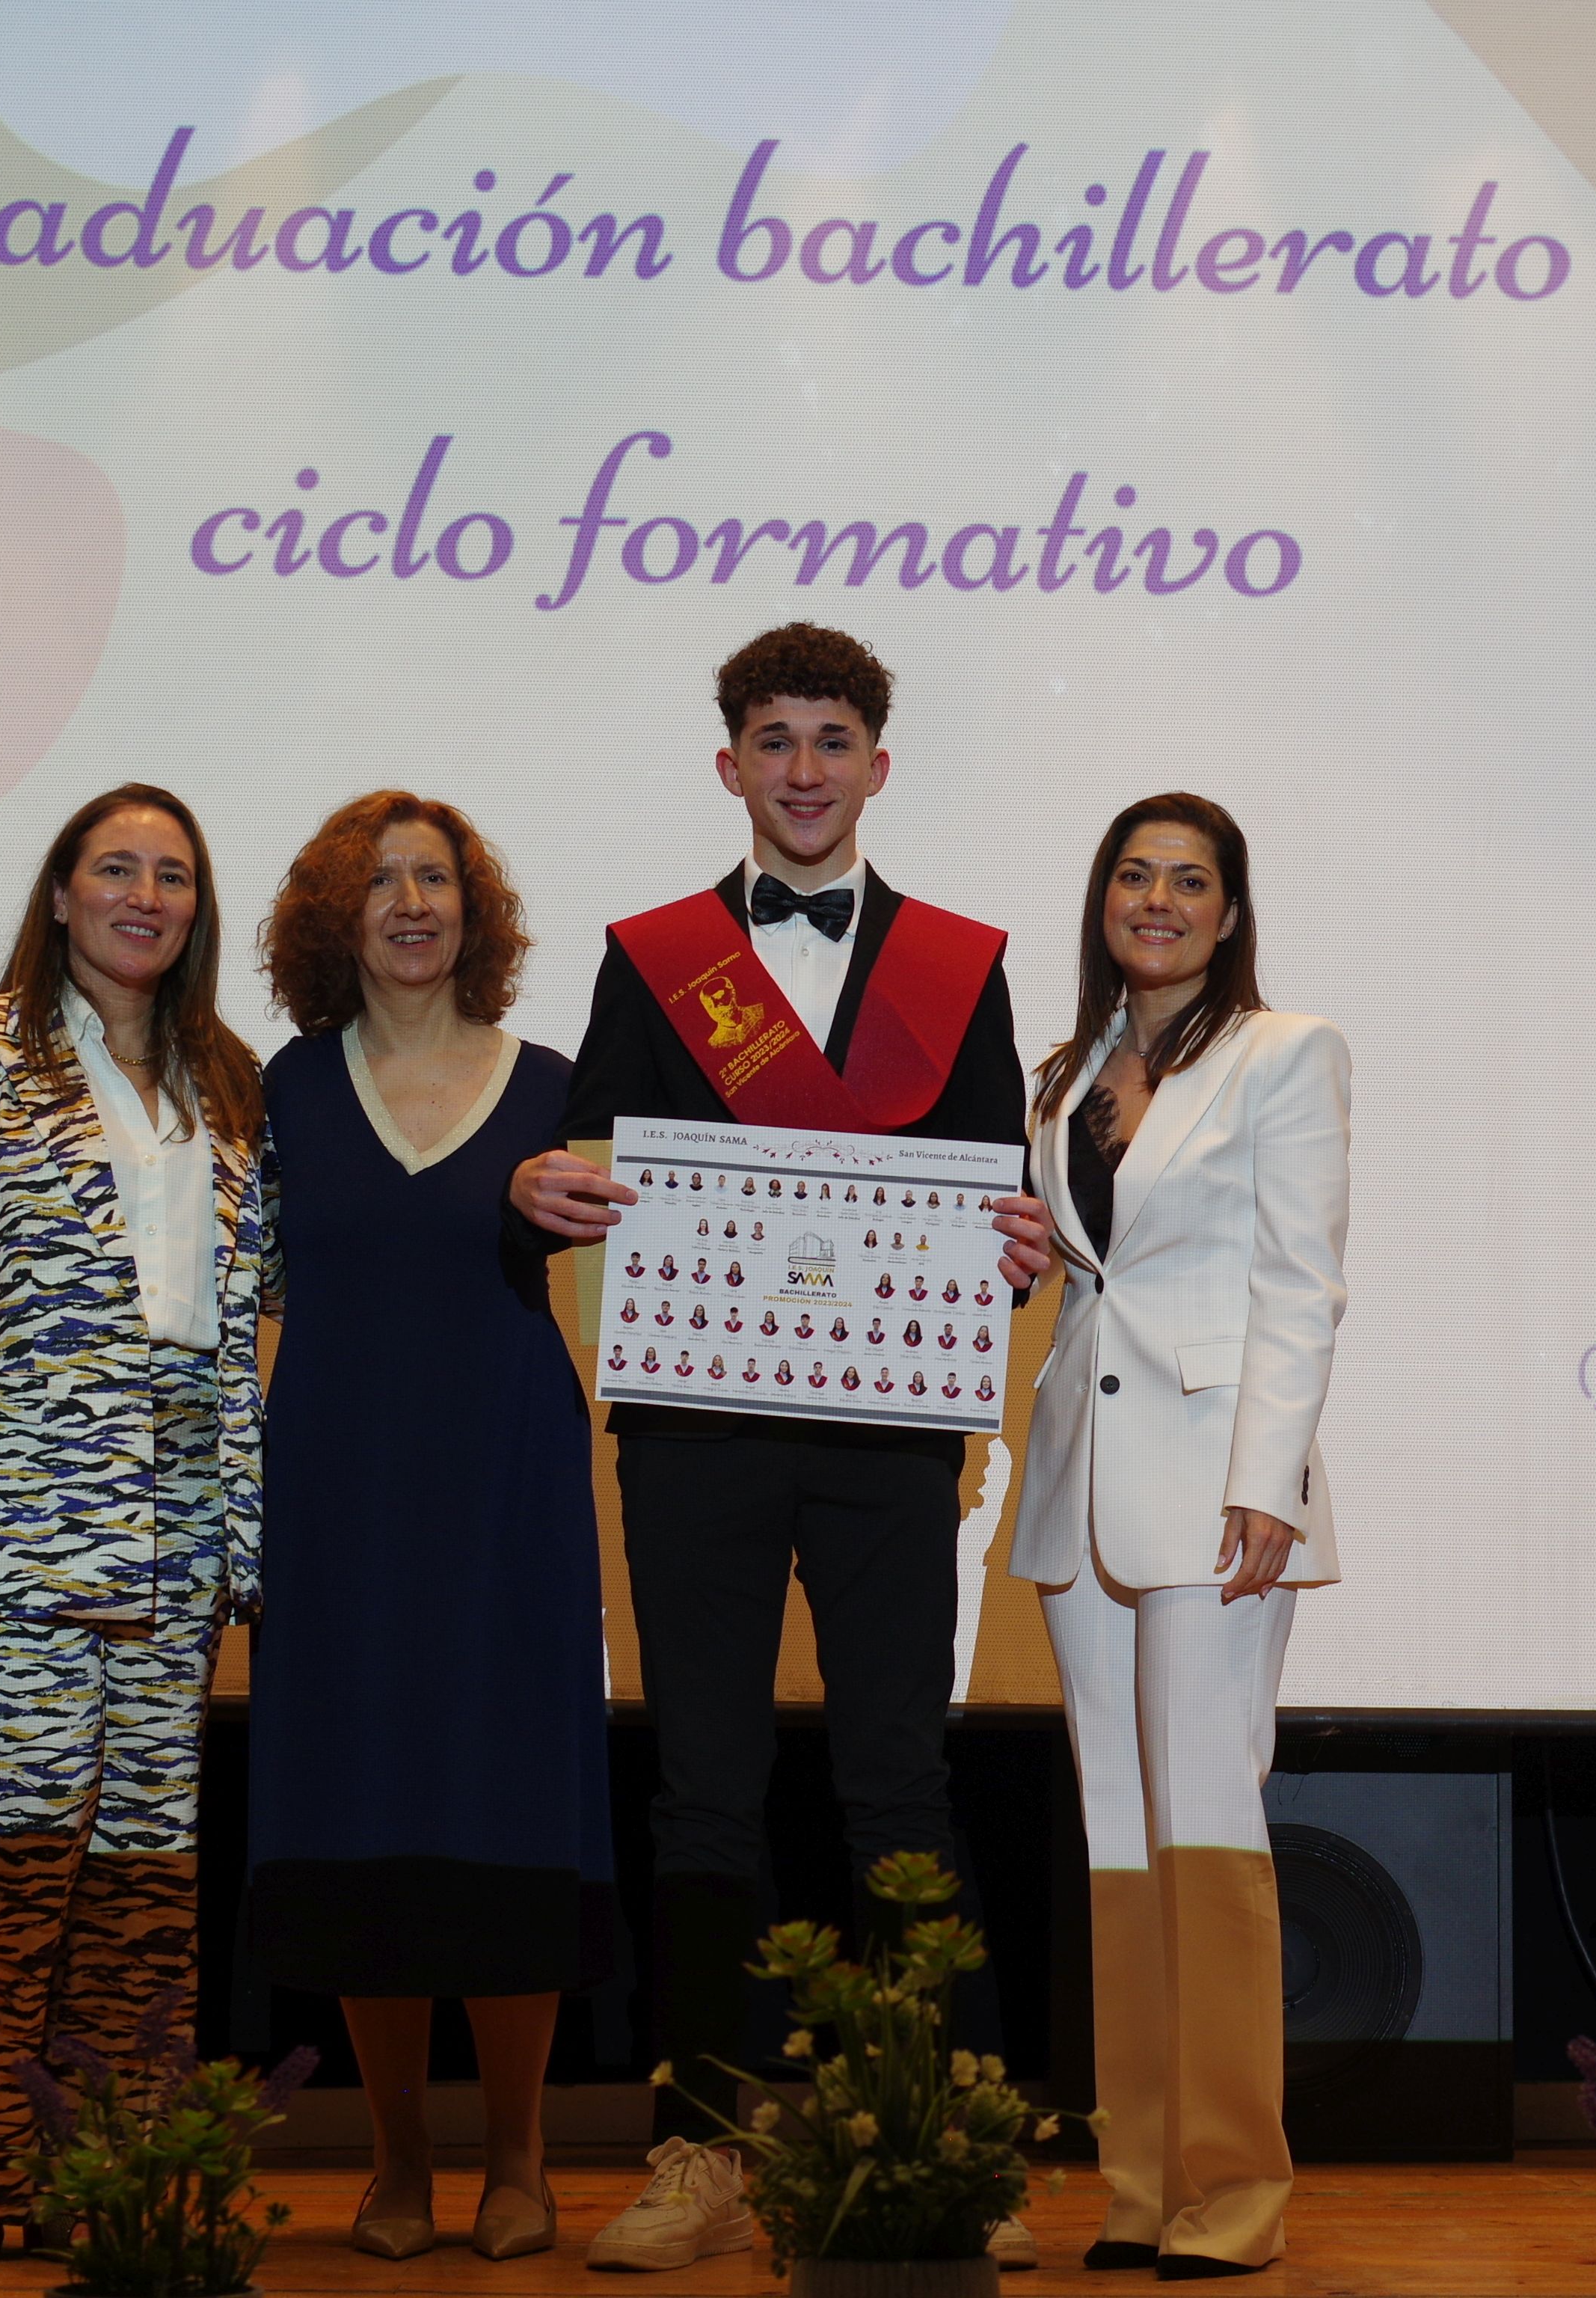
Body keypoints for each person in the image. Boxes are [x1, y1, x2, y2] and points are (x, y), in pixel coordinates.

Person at [506, 623, 1053, 2275]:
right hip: (696, 1435)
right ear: (728, 763)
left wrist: (1016, 1239)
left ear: (877, 767)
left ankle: (949, 2148)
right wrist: (537, 1187)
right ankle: (704, 2152)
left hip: (892, 1441)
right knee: (705, 1794)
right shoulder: (651, 955)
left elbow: (992, 1185)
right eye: (774, 738)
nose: (803, 769)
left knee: (901, 1783)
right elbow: (588, 1152)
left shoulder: (961, 965)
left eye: (832, 740)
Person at [0, 783, 270, 2259]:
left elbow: (247, 1324)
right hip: (21, 1530)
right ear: (59, 892)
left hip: (180, 1545)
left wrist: (250, 1544)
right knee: (3, 1874)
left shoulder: (232, 1081)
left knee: (146, 1892)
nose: (143, 894)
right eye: (115, 867)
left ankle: (115, 2190)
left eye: (171, 874)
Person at [242, 792, 613, 2263]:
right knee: (361, 1813)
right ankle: (396, 2161)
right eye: (382, 881)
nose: (412, 903)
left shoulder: (556, 1088)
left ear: (480, 910)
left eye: (438, 879)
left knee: (507, 1810)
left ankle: (520, 2159)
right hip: (336, 1493)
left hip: (508, 1493)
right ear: (337, 914)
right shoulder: (278, 1088)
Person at [1014, 794, 1348, 2281]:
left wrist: (1266, 1482)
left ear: (1229, 913)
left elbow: (1302, 1280)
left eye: (1189, 881)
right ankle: (1140, 2183)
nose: (1157, 899)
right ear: (1105, 903)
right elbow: (1087, 1270)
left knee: (1209, 1835)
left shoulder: (1287, 1056)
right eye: (1134, 877)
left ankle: (1231, 2195)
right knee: (1115, 1840)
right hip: (1085, 1483)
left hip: (1219, 1487)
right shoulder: (1063, 1075)